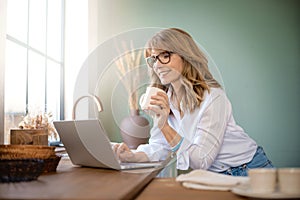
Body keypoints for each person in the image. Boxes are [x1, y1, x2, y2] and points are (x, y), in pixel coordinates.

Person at [113, 28, 274, 176]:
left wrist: (165, 126)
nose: (157, 65)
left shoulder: (213, 97)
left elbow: (201, 160)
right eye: (154, 59)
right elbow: (160, 147)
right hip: (214, 175)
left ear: (185, 56)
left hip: (248, 170)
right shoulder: (165, 98)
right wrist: (131, 156)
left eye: (165, 56)